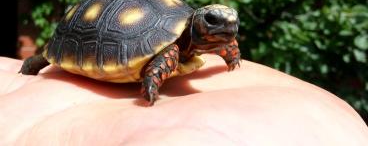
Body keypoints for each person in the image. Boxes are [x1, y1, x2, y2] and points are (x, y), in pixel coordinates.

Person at [0, 55, 367, 145]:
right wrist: (153, 83)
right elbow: (162, 57)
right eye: (211, 23)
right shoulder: (173, 52)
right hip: (113, 31)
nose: (223, 30)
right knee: (44, 59)